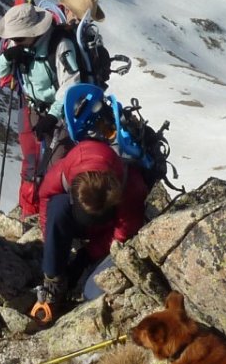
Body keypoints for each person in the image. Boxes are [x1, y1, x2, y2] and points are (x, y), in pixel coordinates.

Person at [29, 137, 148, 324]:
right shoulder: (62, 173)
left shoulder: (130, 186)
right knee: (57, 206)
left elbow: (122, 234)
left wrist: (87, 255)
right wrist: (52, 244)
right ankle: (53, 281)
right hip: (77, 222)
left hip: (105, 233)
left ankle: (76, 286)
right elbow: (46, 200)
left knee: (91, 293)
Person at [0, 2, 88, 216]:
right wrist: (8, 56)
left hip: (61, 113)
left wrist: (53, 116)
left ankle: (55, 217)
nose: (13, 42)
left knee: (58, 167)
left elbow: (70, 85)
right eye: (12, 38)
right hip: (33, 108)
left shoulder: (60, 45)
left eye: (17, 38)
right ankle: (30, 214)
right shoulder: (16, 45)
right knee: (31, 165)